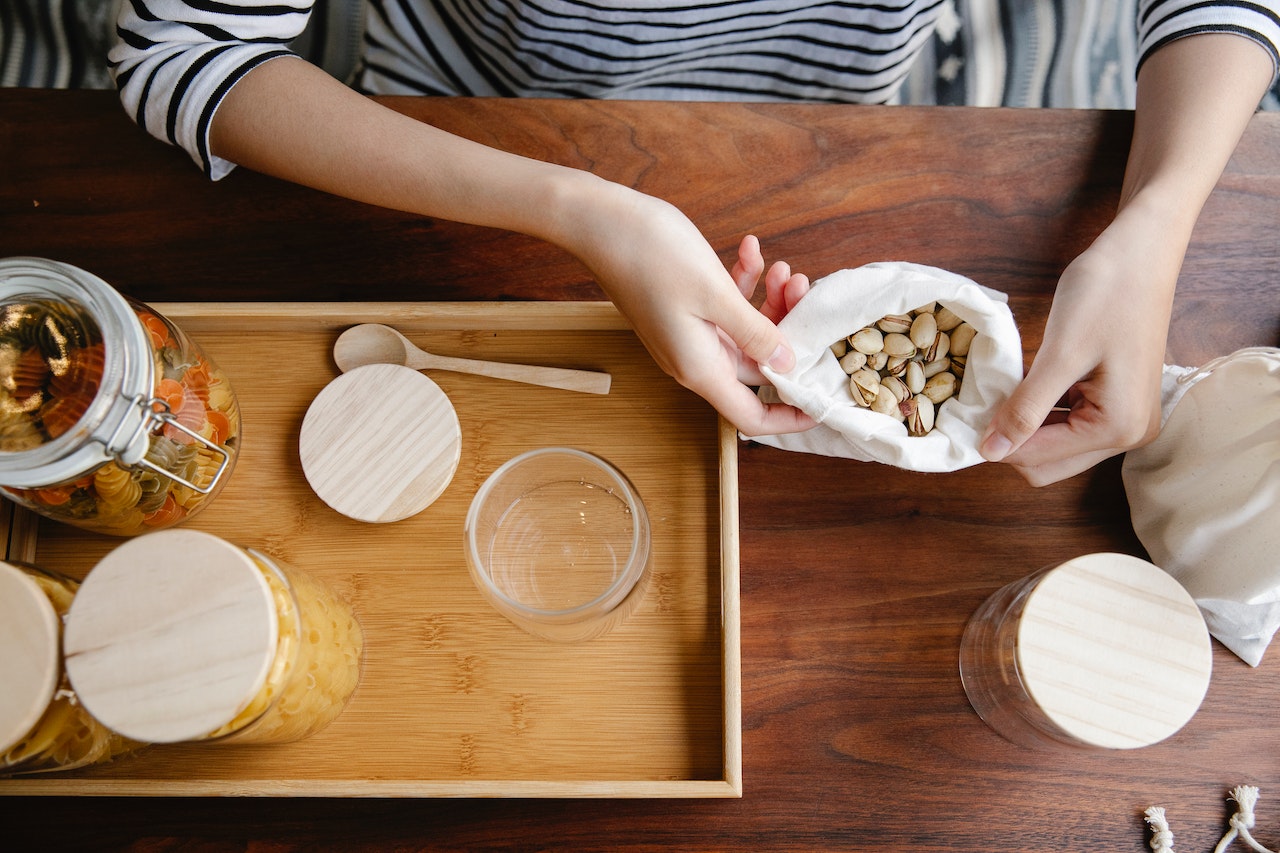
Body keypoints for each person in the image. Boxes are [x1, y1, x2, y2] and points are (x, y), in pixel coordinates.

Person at [109, 1, 1279, 485]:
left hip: (843, 125)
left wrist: (1157, 223)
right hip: (465, 132)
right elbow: (183, 52)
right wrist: (584, 213)